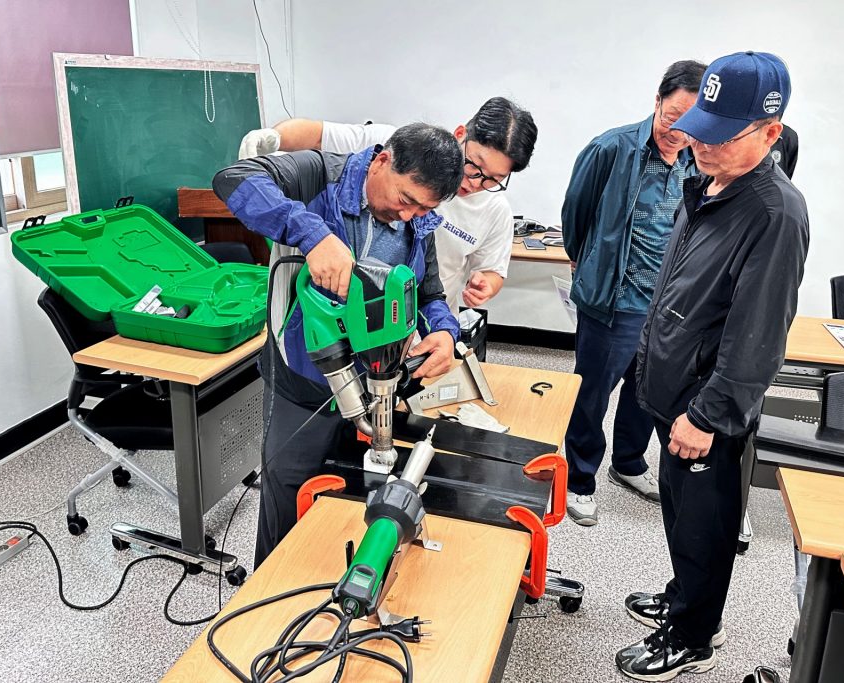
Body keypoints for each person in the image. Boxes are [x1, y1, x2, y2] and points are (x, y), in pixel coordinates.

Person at [616, 52, 809, 680]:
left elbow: (758, 338)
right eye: (700, 124)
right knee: (679, 513)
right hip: (674, 388)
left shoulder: (774, 214)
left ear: (770, 132)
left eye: (721, 135)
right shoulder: (706, 185)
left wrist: (707, 414)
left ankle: (695, 635)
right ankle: (685, 600)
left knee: (706, 525)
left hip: (707, 404)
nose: (699, 141)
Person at [212, 123, 464, 566]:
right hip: (302, 379)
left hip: (373, 380)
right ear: (383, 160)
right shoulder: (317, 174)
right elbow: (232, 178)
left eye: (422, 209)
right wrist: (313, 235)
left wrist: (445, 332)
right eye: (405, 200)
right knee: (290, 488)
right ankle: (267, 602)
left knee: (349, 495)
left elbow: (429, 293)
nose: (408, 216)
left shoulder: (417, 219)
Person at [560, 60, 707, 523]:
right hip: (612, 301)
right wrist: (593, 268)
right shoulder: (611, 148)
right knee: (592, 393)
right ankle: (580, 479)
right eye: (672, 117)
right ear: (657, 101)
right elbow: (575, 217)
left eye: (691, 122)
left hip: (666, 307)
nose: (678, 131)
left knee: (648, 392)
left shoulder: (698, 161)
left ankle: (627, 462)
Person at [238, 97, 538, 312]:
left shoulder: (495, 210)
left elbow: (493, 270)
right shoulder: (395, 147)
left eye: (492, 179)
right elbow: (318, 134)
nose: (474, 183)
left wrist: (485, 284)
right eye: (474, 165)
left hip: (424, 318)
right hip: (344, 310)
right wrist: (274, 138)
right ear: (460, 134)